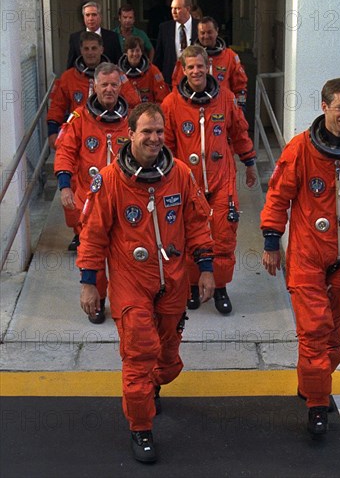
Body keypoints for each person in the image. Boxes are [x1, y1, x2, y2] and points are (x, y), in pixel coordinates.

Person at [76, 102, 215, 463]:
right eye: (146, 132)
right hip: (130, 283)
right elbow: (92, 235)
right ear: (131, 134)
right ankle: (141, 428)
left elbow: (198, 223)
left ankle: (154, 383)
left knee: (167, 362)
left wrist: (207, 268)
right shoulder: (108, 180)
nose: (154, 139)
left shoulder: (180, 174)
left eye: (159, 132)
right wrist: (89, 282)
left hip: (173, 280)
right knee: (139, 354)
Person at [260, 78, 340, 437]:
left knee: (331, 334)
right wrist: (272, 241)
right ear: (324, 107)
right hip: (306, 256)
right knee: (315, 331)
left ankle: (311, 384)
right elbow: (278, 196)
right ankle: (318, 404)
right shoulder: (300, 149)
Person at [161, 45, 257, 314]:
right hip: (188, 182)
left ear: (208, 67)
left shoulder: (225, 98)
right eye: (190, 67)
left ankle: (221, 288)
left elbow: (239, 132)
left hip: (221, 177)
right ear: (182, 70)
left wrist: (249, 163)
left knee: (224, 235)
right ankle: (193, 285)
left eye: (200, 66)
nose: (195, 71)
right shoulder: (171, 103)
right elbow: (166, 146)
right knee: (190, 235)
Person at [54, 63, 130, 322]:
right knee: (93, 254)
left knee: (125, 258)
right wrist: (65, 185)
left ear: (121, 86)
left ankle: (127, 304)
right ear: (94, 86)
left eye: (114, 84)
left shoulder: (132, 120)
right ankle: (97, 300)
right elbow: (65, 151)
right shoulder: (79, 119)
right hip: (90, 202)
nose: (109, 89)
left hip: (124, 201)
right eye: (104, 84)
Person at [48, 32, 140, 150]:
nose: (90, 53)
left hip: (110, 130)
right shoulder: (68, 77)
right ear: (81, 50)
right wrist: (52, 132)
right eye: (86, 49)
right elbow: (57, 106)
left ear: (101, 49)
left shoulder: (115, 75)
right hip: (78, 131)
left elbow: (134, 102)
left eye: (94, 48)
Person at [172, 16, 248, 113]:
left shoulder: (230, 56)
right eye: (202, 33)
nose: (206, 36)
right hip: (193, 108)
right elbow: (177, 85)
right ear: (197, 34)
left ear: (217, 31)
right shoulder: (188, 56)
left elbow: (240, 85)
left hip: (223, 109)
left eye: (209, 32)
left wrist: (239, 107)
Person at [154, 0, 199, 86]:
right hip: (170, 80)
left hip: (195, 77)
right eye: (172, 8)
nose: (173, 12)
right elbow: (159, 56)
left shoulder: (199, 27)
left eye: (178, 8)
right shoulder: (165, 28)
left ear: (188, 9)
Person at [67, 1, 122, 68]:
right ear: (83, 17)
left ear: (100, 16)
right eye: (87, 15)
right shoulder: (75, 38)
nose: (91, 18)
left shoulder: (113, 37)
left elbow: (119, 64)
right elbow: (71, 65)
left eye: (94, 15)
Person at [118, 36, 169, 104]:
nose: (135, 54)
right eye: (132, 51)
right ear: (126, 52)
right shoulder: (119, 73)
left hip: (149, 110)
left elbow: (162, 96)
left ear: (142, 52)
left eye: (138, 50)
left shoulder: (153, 70)